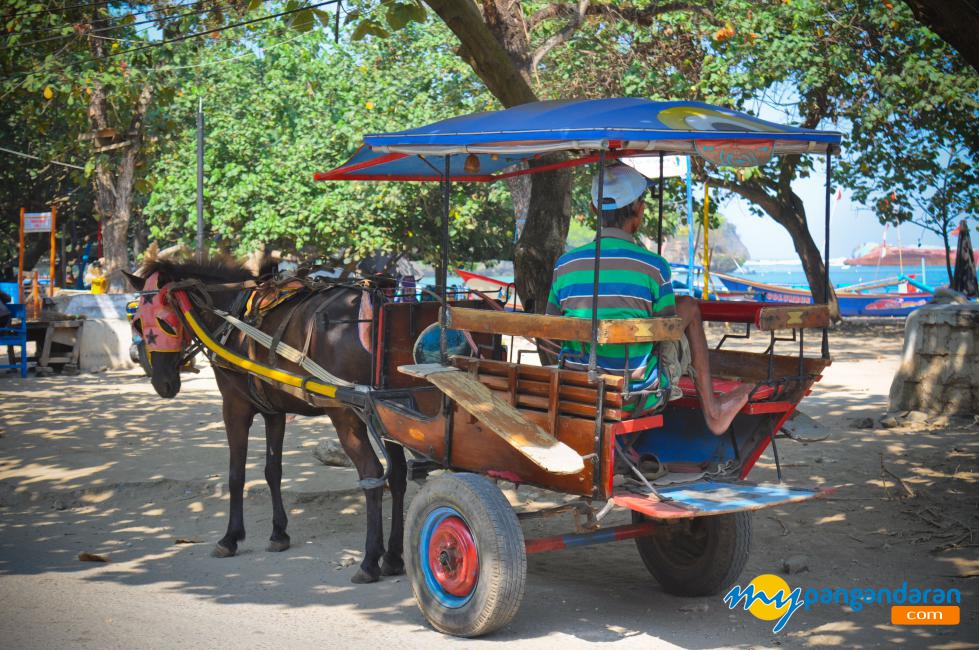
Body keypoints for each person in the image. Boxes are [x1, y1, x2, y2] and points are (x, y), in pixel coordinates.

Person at [546, 164, 752, 435]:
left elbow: (548, 330)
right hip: (637, 394)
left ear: (594, 210)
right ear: (639, 210)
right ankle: (713, 412)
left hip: (576, 389)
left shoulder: (565, 265)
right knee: (688, 307)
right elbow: (667, 329)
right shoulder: (654, 266)